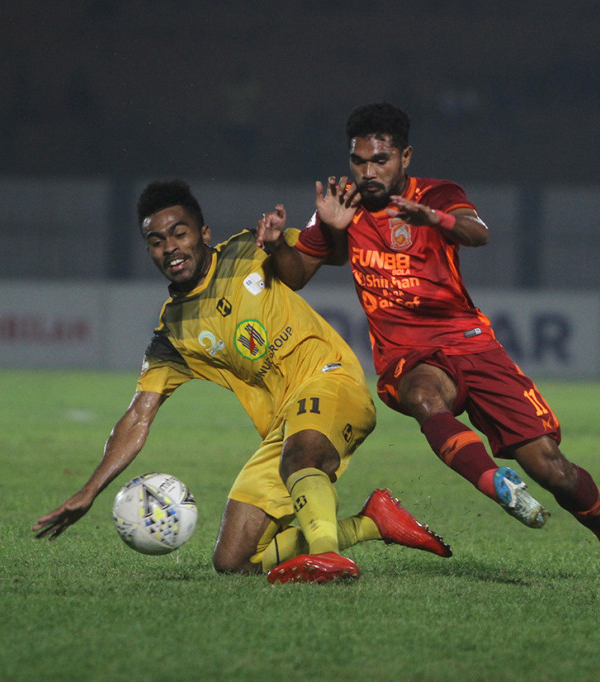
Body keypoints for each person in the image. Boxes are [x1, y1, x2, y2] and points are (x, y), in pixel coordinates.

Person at [257, 103, 600, 583]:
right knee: (424, 397)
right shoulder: (341, 207)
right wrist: (277, 246)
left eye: (381, 160)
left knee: (554, 469)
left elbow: (480, 233)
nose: (368, 171)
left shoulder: (438, 194)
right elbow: (297, 274)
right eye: (359, 160)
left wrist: (433, 218)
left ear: (405, 157)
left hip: (471, 343)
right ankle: (495, 483)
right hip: (408, 355)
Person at [34, 179, 452, 584]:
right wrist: (89, 491)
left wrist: (311, 234)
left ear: (203, 232)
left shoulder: (249, 247)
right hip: (284, 425)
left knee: (301, 457)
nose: (170, 248)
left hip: (332, 380)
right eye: (157, 241)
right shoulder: (174, 331)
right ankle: (372, 523)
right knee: (234, 560)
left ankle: (328, 554)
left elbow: (332, 254)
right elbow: (137, 417)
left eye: (179, 233)